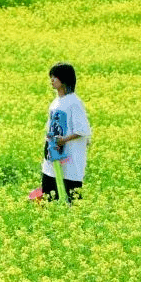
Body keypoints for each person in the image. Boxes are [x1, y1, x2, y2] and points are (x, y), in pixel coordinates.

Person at [41, 63, 92, 202]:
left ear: (64, 79)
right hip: (53, 156)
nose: (52, 80)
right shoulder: (56, 102)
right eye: (51, 77)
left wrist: (64, 140)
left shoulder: (74, 102)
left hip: (70, 158)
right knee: (48, 195)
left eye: (55, 77)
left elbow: (82, 130)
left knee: (71, 197)